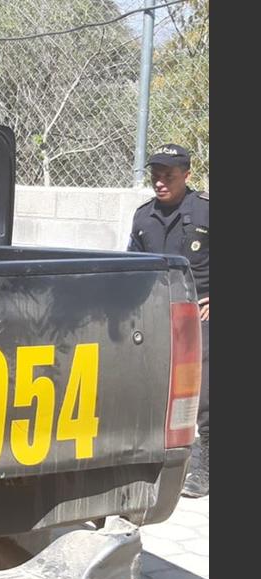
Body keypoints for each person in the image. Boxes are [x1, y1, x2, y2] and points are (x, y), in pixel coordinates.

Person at [128, 143, 209, 498]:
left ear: (187, 175)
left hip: (199, 314)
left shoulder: (206, 211)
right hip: (157, 313)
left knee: (203, 391)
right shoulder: (143, 217)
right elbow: (131, 266)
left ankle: (205, 465)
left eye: (169, 176)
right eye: (155, 176)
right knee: (152, 384)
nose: (160, 182)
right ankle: (156, 457)